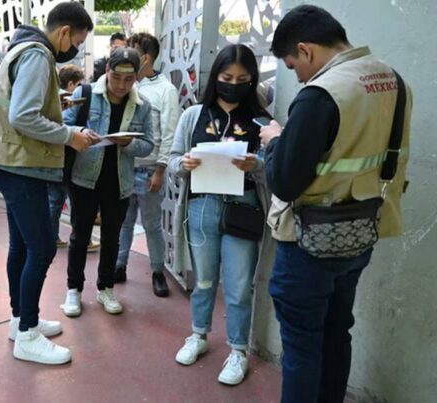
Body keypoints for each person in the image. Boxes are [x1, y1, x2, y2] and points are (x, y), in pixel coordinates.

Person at [258, 5, 412, 402]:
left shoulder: (320, 95)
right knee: (336, 331)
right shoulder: (393, 80)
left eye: (293, 65)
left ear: (306, 51)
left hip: (310, 241)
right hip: (362, 230)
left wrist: (275, 140)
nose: (297, 74)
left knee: (302, 347)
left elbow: (286, 183)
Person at [0, 2, 97, 365]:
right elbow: (23, 115)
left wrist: (53, 104)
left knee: (23, 246)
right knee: (42, 248)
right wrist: (69, 135)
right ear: (64, 32)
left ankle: (19, 319)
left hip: (8, 160)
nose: (75, 47)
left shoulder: (23, 46)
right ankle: (27, 334)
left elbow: (21, 105)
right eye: (77, 40)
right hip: (21, 165)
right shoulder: (38, 56)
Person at [167, 44, 272, 386]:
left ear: (252, 80)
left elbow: (276, 168)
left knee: (240, 286)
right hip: (201, 207)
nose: (234, 84)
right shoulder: (194, 115)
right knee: (205, 280)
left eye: (243, 79)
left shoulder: (262, 121)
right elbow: (171, 160)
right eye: (227, 77)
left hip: (244, 208)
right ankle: (198, 334)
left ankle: (238, 350)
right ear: (216, 78)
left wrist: (256, 164)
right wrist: (182, 165)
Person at [60, 47, 154, 317]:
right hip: (84, 177)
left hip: (120, 179)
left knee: (112, 237)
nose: (122, 85)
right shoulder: (85, 93)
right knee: (80, 236)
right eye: (117, 77)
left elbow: (148, 144)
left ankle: (106, 288)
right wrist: (79, 133)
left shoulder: (143, 105)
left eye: (129, 79)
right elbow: (65, 126)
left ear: (136, 77)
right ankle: (73, 290)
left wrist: (130, 143)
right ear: (107, 71)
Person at [115, 33, 181, 296]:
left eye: (131, 52)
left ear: (145, 58)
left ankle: (157, 271)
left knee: (152, 225)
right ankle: (120, 265)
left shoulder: (166, 90)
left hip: (150, 169)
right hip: (123, 166)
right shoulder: (126, 85)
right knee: (124, 222)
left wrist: (160, 169)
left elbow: (169, 133)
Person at [48, 64, 99, 252]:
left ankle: (52, 237)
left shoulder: (52, 96)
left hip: (55, 158)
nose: (81, 89)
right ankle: (81, 239)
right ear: (70, 84)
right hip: (68, 158)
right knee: (74, 201)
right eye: (78, 84)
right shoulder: (67, 99)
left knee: (55, 199)